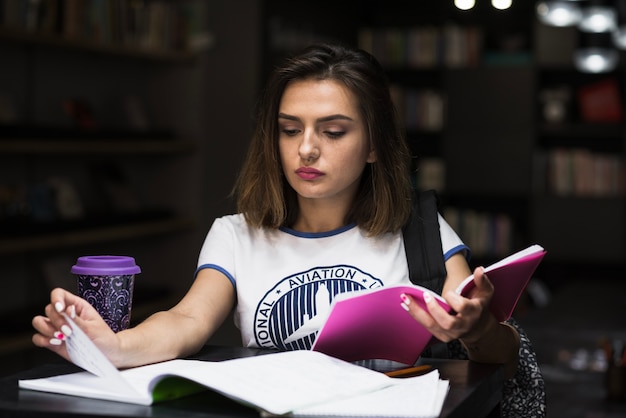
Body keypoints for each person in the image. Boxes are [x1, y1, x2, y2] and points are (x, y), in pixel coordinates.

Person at [32, 43, 544, 416]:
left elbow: (494, 353)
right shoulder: (236, 234)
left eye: (333, 131)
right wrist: (115, 347)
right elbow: (186, 321)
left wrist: (477, 329)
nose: (306, 149)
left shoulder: (420, 229)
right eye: (290, 128)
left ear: (371, 145)